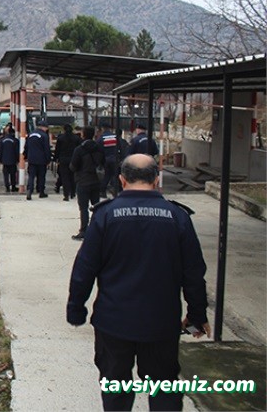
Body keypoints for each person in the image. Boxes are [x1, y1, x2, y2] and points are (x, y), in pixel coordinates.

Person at [67, 154, 210, 411]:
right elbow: (193, 272)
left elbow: (84, 268)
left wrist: (76, 308)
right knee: (164, 389)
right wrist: (197, 315)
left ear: (122, 180)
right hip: (161, 324)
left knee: (115, 389)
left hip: (113, 322)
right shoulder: (177, 217)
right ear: (157, 179)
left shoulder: (105, 216)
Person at [69, 126, 105, 241]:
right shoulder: (99, 148)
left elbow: (73, 165)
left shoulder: (79, 149)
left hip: (83, 180)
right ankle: (97, 230)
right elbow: (103, 163)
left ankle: (84, 230)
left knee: (83, 208)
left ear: (83, 135)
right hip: (96, 180)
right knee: (96, 206)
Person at [96, 122, 126, 197]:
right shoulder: (116, 137)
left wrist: (100, 163)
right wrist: (121, 159)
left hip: (106, 160)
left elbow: (99, 152)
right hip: (115, 159)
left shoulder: (101, 139)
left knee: (107, 175)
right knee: (115, 175)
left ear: (102, 129)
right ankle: (114, 189)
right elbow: (121, 148)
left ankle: (102, 191)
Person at [24, 120, 51, 200]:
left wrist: (25, 156)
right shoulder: (44, 136)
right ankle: (41, 191)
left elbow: (26, 147)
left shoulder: (30, 134)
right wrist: (48, 160)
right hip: (41, 159)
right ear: (43, 127)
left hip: (31, 159)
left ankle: (29, 190)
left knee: (31, 176)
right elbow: (46, 149)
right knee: (41, 176)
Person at [54, 124, 80, 201]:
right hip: (73, 159)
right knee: (72, 176)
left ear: (64, 129)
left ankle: (66, 194)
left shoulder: (61, 138)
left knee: (65, 177)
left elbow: (57, 150)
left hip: (63, 160)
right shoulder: (76, 138)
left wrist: (56, 158)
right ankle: (73, 192)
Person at [0, 128, 19, 192]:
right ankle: (13, 187)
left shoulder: (2, 140)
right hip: (13, 160)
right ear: (13, 133)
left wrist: (0, 159)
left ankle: (7, 187)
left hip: (5, 160)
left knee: (6, 175)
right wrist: (18, 159)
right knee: (13, 174)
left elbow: (0, 151)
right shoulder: (15, 140)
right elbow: (17, 151)